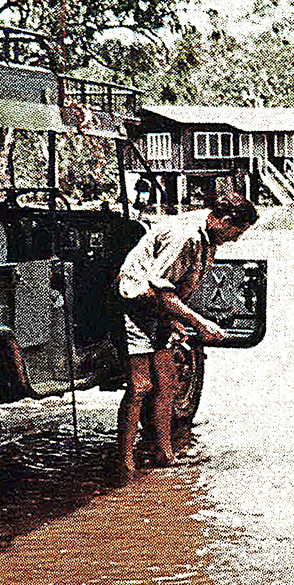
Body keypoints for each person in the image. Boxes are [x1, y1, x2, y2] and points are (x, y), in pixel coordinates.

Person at [115, 193, 259, 478]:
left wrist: (175, 322)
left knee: (167, 382)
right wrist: (198, 322)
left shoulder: (208, 238)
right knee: (141, 385)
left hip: (158, 306)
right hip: (136, 302)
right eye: (237, 232)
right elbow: (160, 290)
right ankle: (124, 459)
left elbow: (175, 290)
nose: (236, 239)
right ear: (224, 220)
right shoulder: (186, 236)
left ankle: (164, 453)